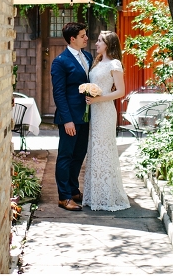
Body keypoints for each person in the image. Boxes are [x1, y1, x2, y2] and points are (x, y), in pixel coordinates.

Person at [82, 31, 130, 211]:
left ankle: (108, 196)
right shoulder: (96, 62)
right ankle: (96, 195)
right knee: (94, 150)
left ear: (108, 44)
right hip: (94, 111)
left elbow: (120, 92)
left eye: (100, 41)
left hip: (105, 111)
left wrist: (98, 99)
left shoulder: (114, 64)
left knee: (104, 150)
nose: (96, 43)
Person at [51, 22, 92, 211]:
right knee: (66, 156)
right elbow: (58, 93)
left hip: (86, 115)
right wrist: (67, 120)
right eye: (83, 35)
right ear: (72, 39)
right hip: (69, 118)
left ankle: (74, 190)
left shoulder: (89, 56)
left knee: (79, 154)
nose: (86, 38)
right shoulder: (60, 61)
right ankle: (64, 196)